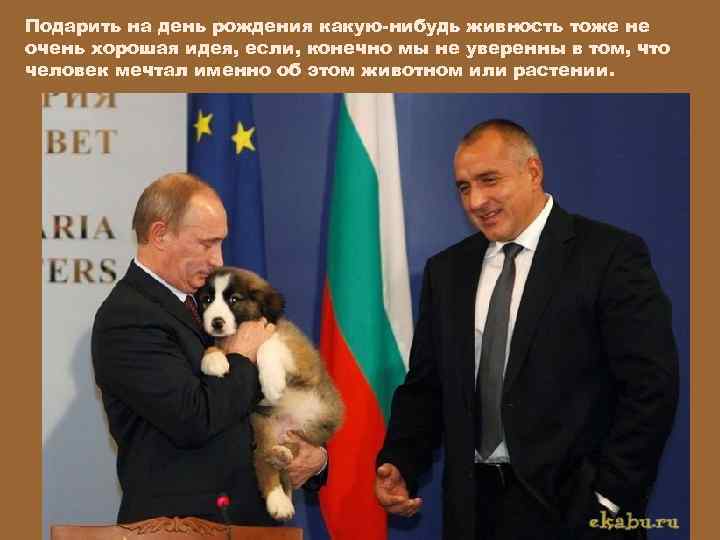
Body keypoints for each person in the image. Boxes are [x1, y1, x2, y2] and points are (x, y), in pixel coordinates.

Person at [375, 120, 678, 539]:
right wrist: (401, 462)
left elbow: (651, 387)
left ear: (533, 172)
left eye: (489, 180)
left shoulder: (609, 255)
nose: (476, 201)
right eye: (464, 187)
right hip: (472, 513)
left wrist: (610, 498)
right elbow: (428, 388)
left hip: (577, 513)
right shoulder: (447, 271)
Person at [92, 173, 328, 525]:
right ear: (160, 235)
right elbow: (192, 418)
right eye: (206, 243)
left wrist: (313, 455)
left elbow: (270, 399)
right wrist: (242, 356)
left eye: (220, 243)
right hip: (177, 528)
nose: (218, 259)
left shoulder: (207, 300)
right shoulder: (127, 316)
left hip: (252, 521)